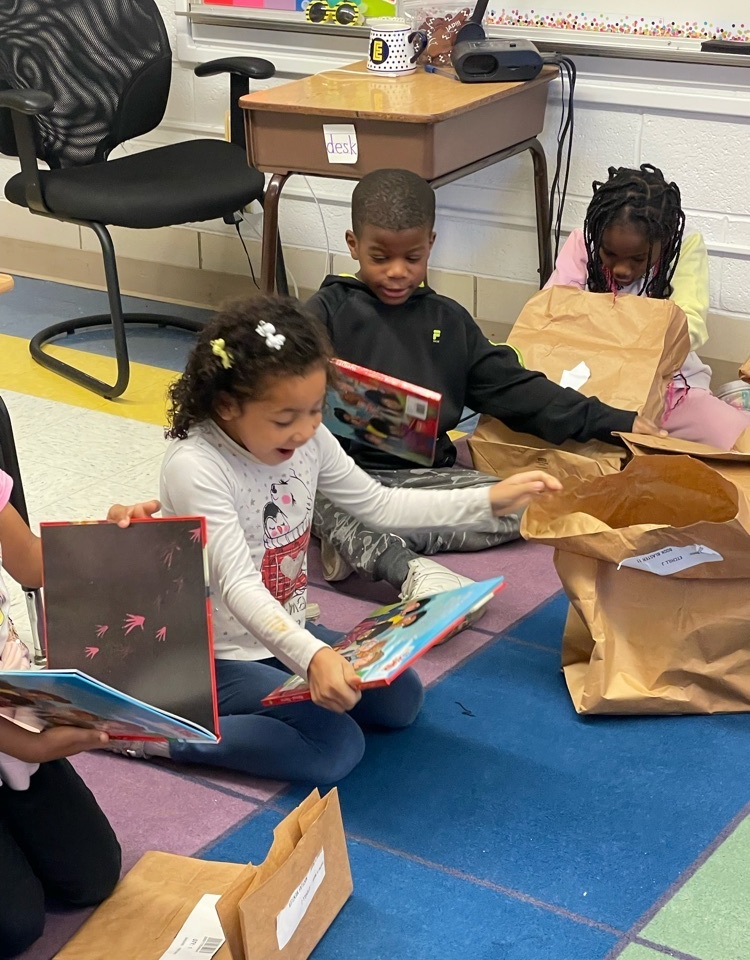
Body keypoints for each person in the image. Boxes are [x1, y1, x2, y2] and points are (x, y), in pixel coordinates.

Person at [106, 296, 561, 784]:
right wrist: (314, 657)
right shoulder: (197, 466)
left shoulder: (309, 438)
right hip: (209, 655)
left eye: (315, 411)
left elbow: (381, 505)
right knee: (333, 745)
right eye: (285, 419)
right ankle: (159, 735)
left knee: (400, 700)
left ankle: (266, 694)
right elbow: (237, 587)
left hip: (281, 634)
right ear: (226, 406)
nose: (304, 431)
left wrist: (489, 500)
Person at [304, 168, 661, 605]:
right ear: (353, 245)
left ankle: (362, 542)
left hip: (423, 480)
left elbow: (522, 392)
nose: (397, 272)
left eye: (412, 258)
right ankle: (408, 569)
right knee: (323, 497)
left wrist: (619, 422)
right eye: (380, 258)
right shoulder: (323, 314)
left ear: (430, 244)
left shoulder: (448, 321)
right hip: (341, 479)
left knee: (528, 506)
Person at [0, 478, 157, 959]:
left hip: (14, 716)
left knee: (92, 874)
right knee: (15, 927)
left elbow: (28, 557)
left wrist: (114, 540)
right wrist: (20, 744)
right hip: (13, 733)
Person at [546, 163, 750, 452]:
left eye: (638, 259)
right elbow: (553, 307)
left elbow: (689, 326)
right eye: (609, 254)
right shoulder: (584, 239)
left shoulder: (684, 245)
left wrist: (619, 338)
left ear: (663, 242)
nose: (621, 269)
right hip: (588, 387)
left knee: (738, 442)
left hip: (669, 391)